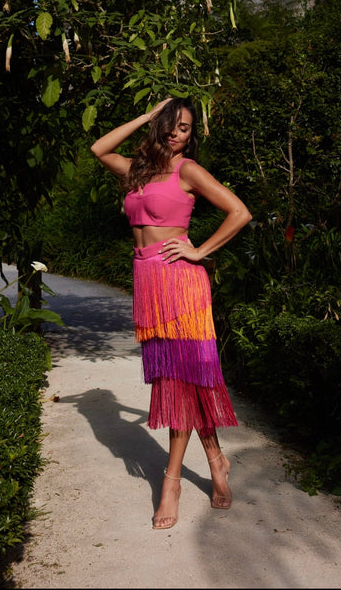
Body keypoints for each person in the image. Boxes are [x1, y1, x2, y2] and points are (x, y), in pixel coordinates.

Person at [90, 96, 252, 530]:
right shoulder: (137, 171)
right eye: (172, 124)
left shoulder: (188, 171)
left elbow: (239, 212)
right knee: (179, 378)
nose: (178, 133)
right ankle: (216, 461)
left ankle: (172, 481)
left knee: (181, 380)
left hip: (181, 282)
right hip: (148, 283)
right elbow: (99, 149)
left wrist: (200, 251)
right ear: (159, 125)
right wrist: (145, 115)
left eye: (186, 128)